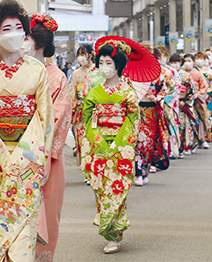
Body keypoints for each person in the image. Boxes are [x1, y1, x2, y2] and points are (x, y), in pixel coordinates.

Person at [0, 1, 54, 261]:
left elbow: (45, 117)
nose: (15, 33)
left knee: (24, 227)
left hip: (28, 159)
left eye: (19, 27)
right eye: (7, 28)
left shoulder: (37, 70)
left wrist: (43, 156)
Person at [81, 40, 139, 254]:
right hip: (99, 145)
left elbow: (133, 119)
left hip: (120, 145)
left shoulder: (127, 92)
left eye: (109, 62)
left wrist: (120, 144)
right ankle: (108, 231)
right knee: (103, 189)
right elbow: (86, 120)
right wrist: (97, 141)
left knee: (118, 188)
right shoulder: (95, 92)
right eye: (101, 62)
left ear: (118, 66)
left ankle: (116, 233)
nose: (104, 66)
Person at [22, 13, 71, 261]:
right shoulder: (14, 73)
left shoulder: (56, 77)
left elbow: (59, 118)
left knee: (48, 216)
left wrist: (32, 145)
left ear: (39, 43)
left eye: (24, 38)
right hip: (11, 155)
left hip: (46, 156)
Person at [134, 45, 169, 186]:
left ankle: (144, 170)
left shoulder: (157, 75)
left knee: (147, 144)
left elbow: (164, 90)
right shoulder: (134, 74)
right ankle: (138, 172)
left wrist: (158, 97)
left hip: (151, 111)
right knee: (138, 142)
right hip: (137, 110)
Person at [70, 44, 95, 164]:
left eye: (83, 54)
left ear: (90, 55)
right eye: (79, 55)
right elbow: (72, 93)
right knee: (81, 138)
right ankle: (86, 166)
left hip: (95, 110)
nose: (81, 57)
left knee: (94, 139)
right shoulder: (76, 74)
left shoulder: (98, 72)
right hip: (80, 109)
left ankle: (93, 166)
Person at [156, 47, 181, 159]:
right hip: (154, 101)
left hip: (167, 103)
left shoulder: (170, 72)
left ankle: (171, 150)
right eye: (159, 55)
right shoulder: (152, 70)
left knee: (168, 125)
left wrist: (165, 99)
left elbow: (175, 88)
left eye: (163, 55)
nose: (161, 58)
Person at [171, 53, 198, 156]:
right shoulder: (170, 74)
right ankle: (174, 149)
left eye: (176, 62)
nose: (174, 65)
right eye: (172, 62)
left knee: (182, 126)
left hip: (183, 103)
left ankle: (181, 148)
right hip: (172, 103)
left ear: (180, 63)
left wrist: (185, 101)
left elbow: (191, 91)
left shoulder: (186, 76)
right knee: (173, 127)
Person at [182, 53, 208, 152]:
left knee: (197, 120)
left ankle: (199, 139)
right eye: (185, 61)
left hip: (196, 101)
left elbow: (204, 86)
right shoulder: (180, 73)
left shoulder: (198, 73)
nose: (187, 63)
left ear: (193, 62)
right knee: (184, 123)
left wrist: (197, 95)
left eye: (189, 61)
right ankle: (186, 144)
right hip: (183, 101)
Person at [194, 51, 212, 146]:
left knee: (206, 117)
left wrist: (207, 93)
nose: (199, 60)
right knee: (195, 118)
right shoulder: (193, 71)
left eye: (201, 58)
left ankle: (206, 137)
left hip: (207, 98)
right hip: (195, 97)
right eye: (197, 58)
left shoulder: (210, 72)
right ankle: (198, 139)